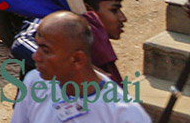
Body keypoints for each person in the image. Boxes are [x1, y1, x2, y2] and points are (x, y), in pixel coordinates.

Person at [9, 11, 148, 122]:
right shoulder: (34, 82)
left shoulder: (125, 114)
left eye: (46, 50)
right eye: (37, 46)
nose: (35, 56)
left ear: (77, 59)